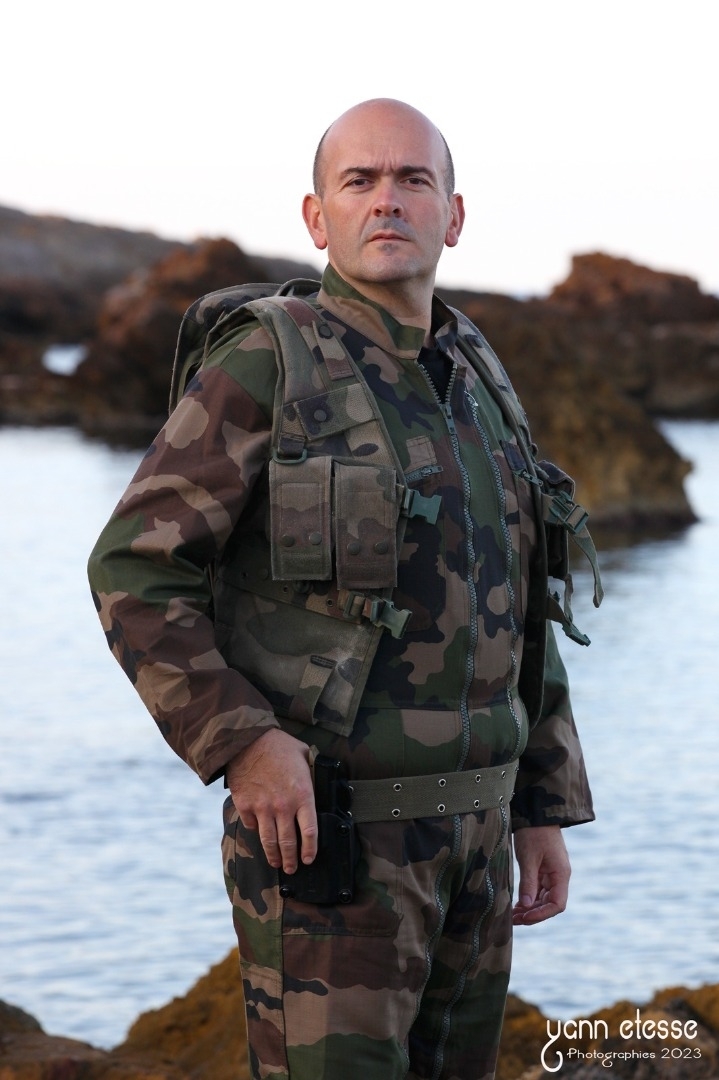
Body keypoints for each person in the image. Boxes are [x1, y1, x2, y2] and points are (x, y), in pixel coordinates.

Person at [88, 98, 598, 1080]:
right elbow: (134, 567)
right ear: (317, 218)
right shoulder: (265, 360)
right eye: (358, 181)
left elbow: (521, 602)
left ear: (453, 215)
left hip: (477, 847)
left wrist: (541, 803)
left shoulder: (478, 374)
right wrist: (241, 742)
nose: (386, 201)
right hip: (331, 846)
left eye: (413, 180)